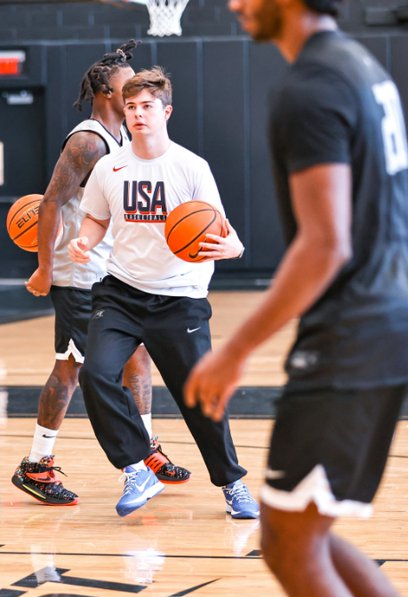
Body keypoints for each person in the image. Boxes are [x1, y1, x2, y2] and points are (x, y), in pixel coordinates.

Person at [184, 0, 408, 597]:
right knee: (294, 537)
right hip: (390, 320)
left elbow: (325, 244)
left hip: (355, 334)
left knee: (291, 547)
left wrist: (234, 350)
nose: (235, 5)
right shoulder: (361, 65)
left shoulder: (310, 85)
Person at [70, 67, 258, 519]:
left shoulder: (192, 167)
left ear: (166, 112)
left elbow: (219, 229)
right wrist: (86, 240)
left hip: (180, 298)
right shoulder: (108, 166)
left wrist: (235, 247)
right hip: (120, 293)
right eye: (130, 107)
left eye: (147, 107)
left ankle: (232, 484)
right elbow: (95, 218)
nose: (137, 114)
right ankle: (137, 467)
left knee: (199, 398)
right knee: (96, 374)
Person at [16, 41, 190, 506]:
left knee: (137, 359)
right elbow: (51, 201)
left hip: (109, 275)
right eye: (125, 83)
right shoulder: (88, 140)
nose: (133, 86)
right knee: (73, 372)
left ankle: (146, 448)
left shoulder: (120, 141)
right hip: (79, 276)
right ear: (105, 91)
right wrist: (44, 269)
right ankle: (38, 464)